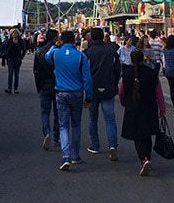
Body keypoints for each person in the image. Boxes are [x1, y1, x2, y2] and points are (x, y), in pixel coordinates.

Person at [45, 30, 93, 171]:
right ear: (74, 41)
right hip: (76, 92)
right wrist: (88, 97)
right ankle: (75, 155)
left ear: (62, 40)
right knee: (76, 125)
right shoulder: (81, 56)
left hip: (61, 91)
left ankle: (65, 156)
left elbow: (47, 58)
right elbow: (87, 78)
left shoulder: (56, 53)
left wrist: (55, 45)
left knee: (63, 126)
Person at [119, 49, 167, 176]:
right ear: (143, 59)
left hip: (133, 107)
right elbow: (159, 94)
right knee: (147, 134)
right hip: (149, 107)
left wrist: (124, 102)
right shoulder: (151, 73)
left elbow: (121, 92)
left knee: (137, 136)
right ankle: (147, 158)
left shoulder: (127, 74)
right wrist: (162, 109)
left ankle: (144, 159)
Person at [85, 26, 121, 160]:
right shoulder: (111, 51)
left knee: (93, 118)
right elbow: (118, 69)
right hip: (108, 86)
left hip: (93, 88)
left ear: (92, 37)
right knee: (110, 119)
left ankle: (95, 145)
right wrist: (114, 81)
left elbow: (85, 71)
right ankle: (112, 145)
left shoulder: (88, 52)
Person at [33, 28, 60, 150]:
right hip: (57, 84)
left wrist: (39, 86)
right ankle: (56, 136)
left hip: (44, 84)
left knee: (45, 111)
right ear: (54, 38)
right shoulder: (58, 51)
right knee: (57, 112)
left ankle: (46, 132)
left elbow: (36, 71)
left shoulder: (39, 52)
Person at [162, 34, 174, 112]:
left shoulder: (165, 50)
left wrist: (164, 69)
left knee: (172, 88)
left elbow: (164, 62)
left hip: (169, 72)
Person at [3, 28, 26, 94]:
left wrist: (21, 57)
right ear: (11, 34)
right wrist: (6, 57)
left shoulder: (20, 41)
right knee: (10, 74)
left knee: (16, 74)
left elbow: (24, 50)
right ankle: (9, 88)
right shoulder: (9, 41)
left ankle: (16, 88)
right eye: (13, 33)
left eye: (16, 33)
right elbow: (6, 49)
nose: (14, 34)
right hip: (10, 59)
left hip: (17, 59)